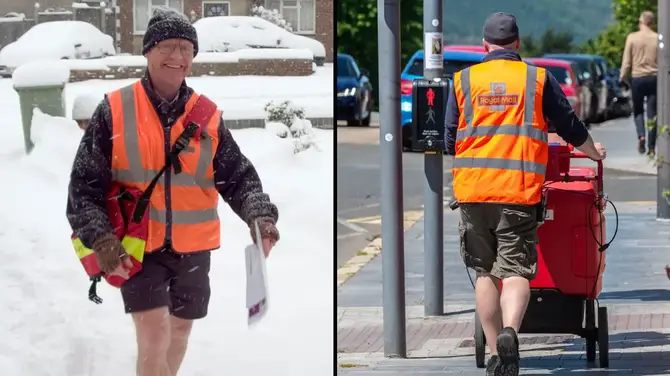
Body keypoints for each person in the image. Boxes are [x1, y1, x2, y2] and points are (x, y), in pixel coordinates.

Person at [66, 8, 280, 376]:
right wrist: (101, 239)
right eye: (168, 46)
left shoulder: (206, 116)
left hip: (193, 249)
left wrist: (260, 214)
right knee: (153, 333)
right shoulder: (114, 110)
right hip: (136, 246)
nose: (178, 57)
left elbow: (238, 176)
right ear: (148, 51)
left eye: (186, 49)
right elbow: (83, 187)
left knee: (179, 332)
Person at [444, 12, 606, 376]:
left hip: (473, 191)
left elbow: (448, 137)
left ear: (484, 45)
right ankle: (510, 332)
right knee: (516, 270)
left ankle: (494, 355)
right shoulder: (536, 79)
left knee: (484, 272)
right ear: (518, 44)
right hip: (517, 191)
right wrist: (594, 152)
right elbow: (569, 126)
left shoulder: (463, 80)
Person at [619, 10, 658, 155]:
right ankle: (652, 146)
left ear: (640, 22)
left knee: (638, 110)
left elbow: (627, 62)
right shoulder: (657, 38)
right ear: (652, 23)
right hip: (654, 77)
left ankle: (641, 136)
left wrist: (622, 77)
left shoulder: (632, 38)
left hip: (637, 78)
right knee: (652, 112)